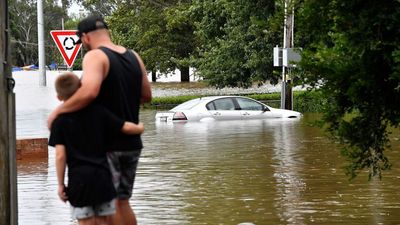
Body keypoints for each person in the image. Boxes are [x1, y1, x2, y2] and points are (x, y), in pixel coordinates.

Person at [47, 15, 152, 225]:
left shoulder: (95, 56)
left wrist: (58, 113)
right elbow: (147, 95)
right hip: (131, 142)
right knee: (123, 201)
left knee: (110, 203)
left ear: (85, 37)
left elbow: (90, 91)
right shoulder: (134, 56)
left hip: (108, 143)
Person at [49, 72, 145, 225]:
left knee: (85, 222)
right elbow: (124, 127)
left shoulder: (60, 122)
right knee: (102, 221)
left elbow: (60, 156)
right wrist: (139, 128)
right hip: (103, 178)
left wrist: (60, 184)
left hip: (79, 181)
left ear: (59, 97)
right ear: (81, 89)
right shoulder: (99, 112)